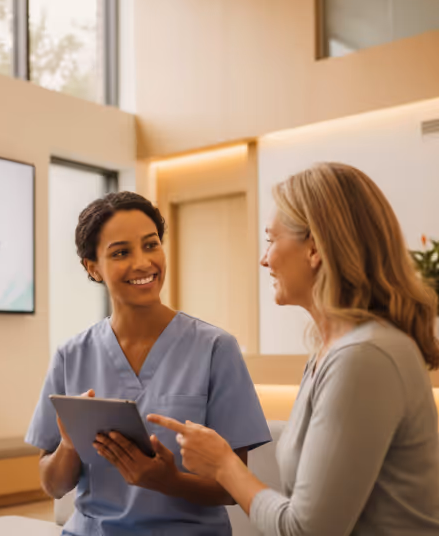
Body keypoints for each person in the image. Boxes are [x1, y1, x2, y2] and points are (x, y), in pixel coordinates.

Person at [150, 162, 439, 535]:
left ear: (315, 247)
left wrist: (225, 465)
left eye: (271, 239)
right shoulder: (330, 351)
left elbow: (306, 530)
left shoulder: (363, 357)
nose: (264, 258)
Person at [25, 191, 271, 535]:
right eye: (121, 252)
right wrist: (69, 444)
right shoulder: (71, 355)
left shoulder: (215, 348)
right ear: (92, 267)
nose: (143, 263)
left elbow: (232, 489)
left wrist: (168, 481)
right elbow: (53, 485)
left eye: (151, 245)